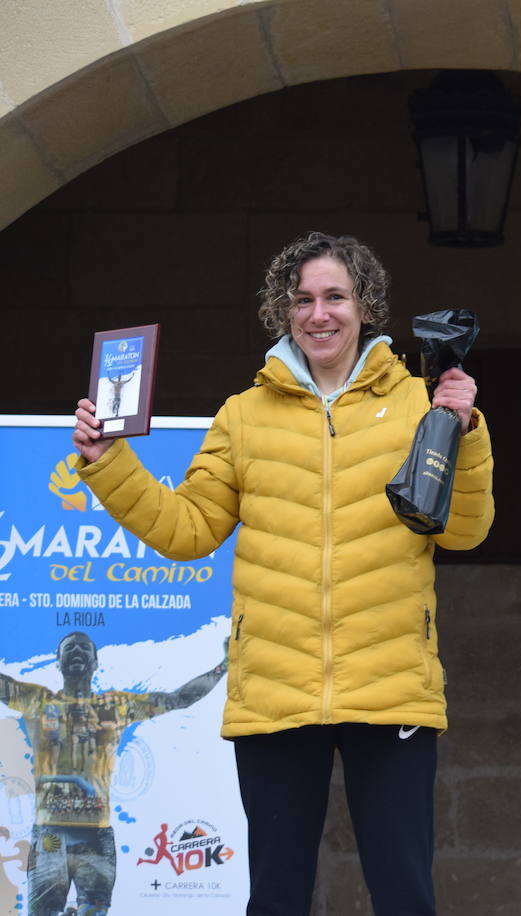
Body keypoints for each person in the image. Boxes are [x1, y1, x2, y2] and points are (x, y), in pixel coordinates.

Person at [71, 231, 495, 915]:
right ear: (283, 311)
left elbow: (466, 530)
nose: (318, 314)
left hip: (391, 684)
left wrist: (465, 432)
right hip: (275, 689)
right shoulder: (243, 416)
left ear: (365, 307)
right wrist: (107, 463)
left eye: (335, 297)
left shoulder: (425, 404)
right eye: (302, 300)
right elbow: (187, 530)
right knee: (275, 895)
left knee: (405, 893)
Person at [0, 631, 225, 916]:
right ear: (57, 661)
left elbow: (179, 698)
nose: (77, 651)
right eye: (70, 648)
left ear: (96, 662)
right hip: (49, 834)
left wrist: (223, 667)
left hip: (96, 835)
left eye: (84, 647)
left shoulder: (115, 707)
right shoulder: (38, 702)